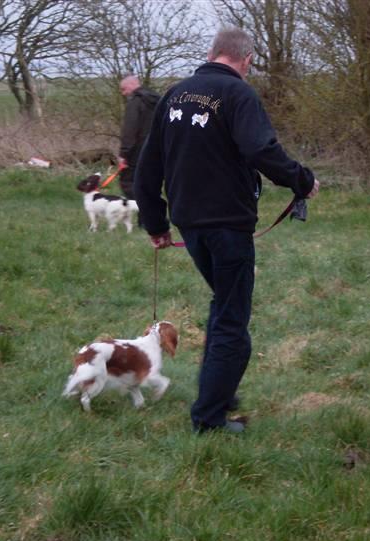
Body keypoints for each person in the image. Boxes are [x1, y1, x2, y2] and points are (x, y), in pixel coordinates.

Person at [134, 27, 320, 434]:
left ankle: (220, 389)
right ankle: (209, 419)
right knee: (233, 324)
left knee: (224, 305)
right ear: (247, 60)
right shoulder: (239, 95)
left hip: (190, 222)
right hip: (228, 225)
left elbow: (148, 166)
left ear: (212, 52)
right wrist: (301, 180)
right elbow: (260, 150)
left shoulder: (174, 94)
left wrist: (156, 223)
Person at [118, 75, 160, 200]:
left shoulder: (135, 102)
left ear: (131, 85)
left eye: (124, 89)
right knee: (151, 184)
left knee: (128, 182)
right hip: (157, 149)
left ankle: (141, 213)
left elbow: (130, 131)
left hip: (137, 151)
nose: (123, 93)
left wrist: (124, 154)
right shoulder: (158, 100)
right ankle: (155, 216)